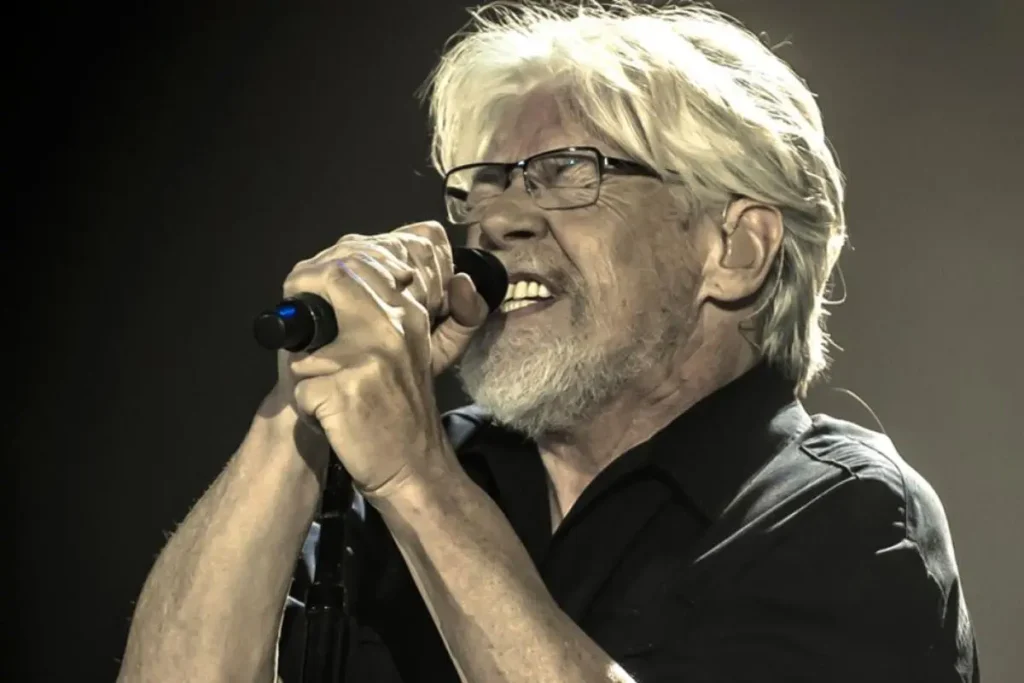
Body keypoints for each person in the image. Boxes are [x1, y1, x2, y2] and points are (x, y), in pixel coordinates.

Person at [116, 3, 979, 682]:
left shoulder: (848, 517)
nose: (492, 218)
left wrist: (417, 480)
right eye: (482, 182)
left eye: (568, 170)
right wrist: (298, 412)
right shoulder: (404, 477)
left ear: (734, 249)